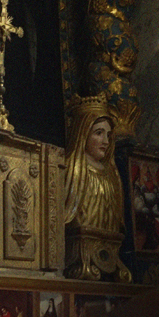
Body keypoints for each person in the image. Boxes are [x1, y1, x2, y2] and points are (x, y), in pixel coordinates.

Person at [63, 95, 123, 232]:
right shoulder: (72, 167)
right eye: (99, 133)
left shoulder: (112, 173)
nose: (105, 141)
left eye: (108, 135)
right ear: (83, 133)